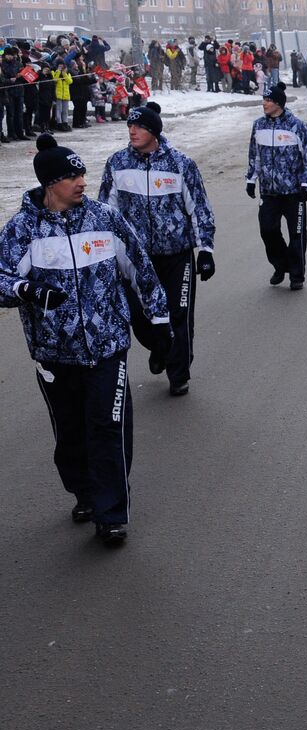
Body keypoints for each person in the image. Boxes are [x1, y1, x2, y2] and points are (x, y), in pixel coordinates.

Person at [0, 135, 169, 545]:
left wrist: (160, 320)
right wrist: (27, 290)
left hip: (108, 346)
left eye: (82, 173)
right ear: (49, 184)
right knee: (71, 433)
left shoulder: (104, 219)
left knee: (109, 428)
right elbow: (2, 278)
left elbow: (140, 268)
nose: (81, 181)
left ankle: (112, 514)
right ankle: (85, 493)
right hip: (54, 353)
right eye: (71, 176)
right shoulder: (22, 229)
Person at [97, 102, 216, 397]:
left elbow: (199, 208)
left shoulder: (180, 164)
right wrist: (104, 253)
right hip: (136, 258)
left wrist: (206, 250)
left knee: (178, 313)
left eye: (139, 126)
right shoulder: (117, 164)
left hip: (177, 255)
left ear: (154, 131)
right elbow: (104, 212)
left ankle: (178, 374)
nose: (132, 130)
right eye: (129, 125)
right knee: (139, 314)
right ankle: (160, 346)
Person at [246, 83, 307, 290]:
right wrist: (251, 179)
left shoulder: (297, 126)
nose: (264, 104)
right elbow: (254, 155)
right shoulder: (259, 125)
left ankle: (297, 276)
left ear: (278, 103)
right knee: (267, 231)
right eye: (264, 100)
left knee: (297, 235)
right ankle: (281, 264)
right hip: (269, 192)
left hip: (294, 192)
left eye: (268, 100)